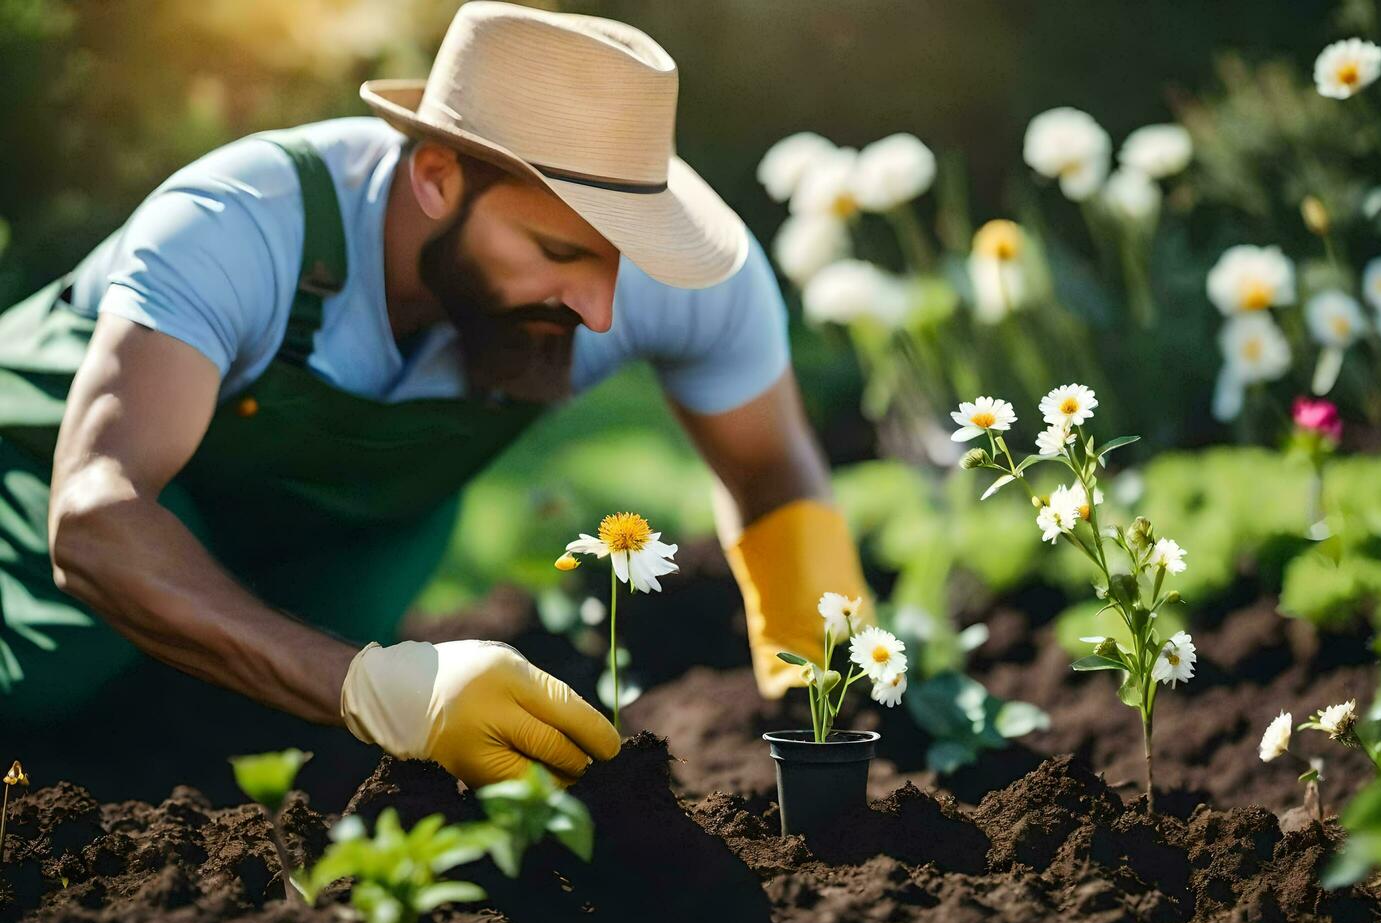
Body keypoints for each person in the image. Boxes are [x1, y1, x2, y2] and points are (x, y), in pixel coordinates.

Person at [0, 2, 867, 787]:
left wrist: (822, 686)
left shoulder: (684, 276)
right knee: (55, 677)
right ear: (437, 176)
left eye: (622, 260)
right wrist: (366, 686)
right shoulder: (237, 224)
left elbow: (770, 469)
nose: (601, 311)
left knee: (268, 733)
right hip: (51, 482)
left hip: (344, 527)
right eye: (559, 254)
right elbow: (96, 522)